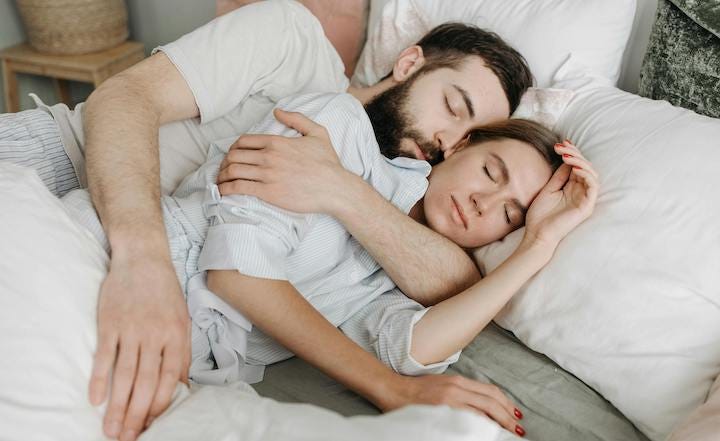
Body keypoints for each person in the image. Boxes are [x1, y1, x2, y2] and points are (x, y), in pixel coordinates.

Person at [1, 2, 536, 439]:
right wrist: (143, 263)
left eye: (469, 139)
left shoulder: (382, 202)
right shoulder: (297, 53)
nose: (447, 142)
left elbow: (446, 294)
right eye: (453, 105)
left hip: (132, 253)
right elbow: (122, 97)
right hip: (56, 163)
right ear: (409, 63)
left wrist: (541, 242)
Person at [60, 87, 596, 440]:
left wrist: (538, 246)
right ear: (457, 147)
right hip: (93, 261)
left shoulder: (404, 284)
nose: (484, 203)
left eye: (509, 215)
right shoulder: (334, 129)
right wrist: (392, 391)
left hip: (156, 363)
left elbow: (418, 349)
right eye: (491, 172)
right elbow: (236, 273)